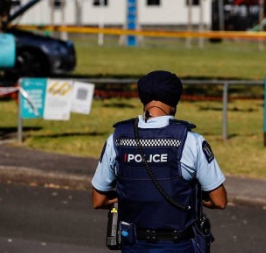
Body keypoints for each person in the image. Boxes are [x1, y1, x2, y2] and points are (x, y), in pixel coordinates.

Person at [91, 70, 227, 253]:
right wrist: (191, 199)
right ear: (175, 101)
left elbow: (98, 200)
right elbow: (219, 200)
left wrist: (129, 196)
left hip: (133, 244)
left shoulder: (117, 138)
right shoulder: (191, 140)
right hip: (179, 244)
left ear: (142, 98)